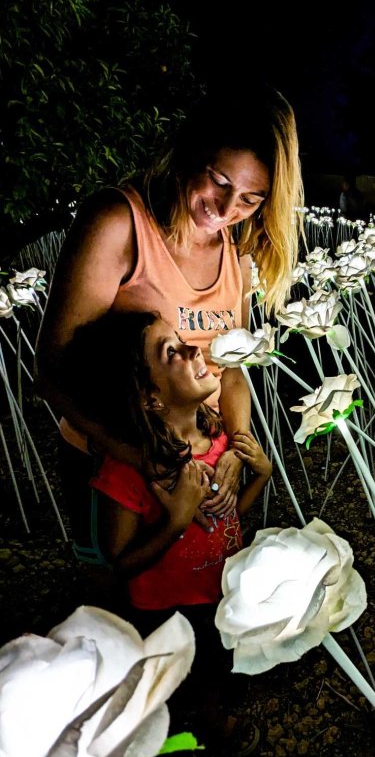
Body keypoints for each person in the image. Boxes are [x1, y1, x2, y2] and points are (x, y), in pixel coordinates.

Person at [35, 86, 303, 562]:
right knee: (119, 609)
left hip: (201, 462)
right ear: (191, 150)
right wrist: (144, 461)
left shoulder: (234, 254)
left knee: (199, 586)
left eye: (249, 200)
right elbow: (53, 366)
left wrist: (233, 452)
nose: (225, 211)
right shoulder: (118, 223)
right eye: (218, 181)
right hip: (115, 466)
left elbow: (232, 369)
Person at [64, 308, 272, 733]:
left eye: (181, 339)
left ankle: (214, 716)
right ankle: (172, 735)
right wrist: (175, 520)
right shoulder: (127, 471)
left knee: (214, 661)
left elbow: (225, 520)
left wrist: (262, 476)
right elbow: (119, 561)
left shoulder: (216, 439)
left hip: (217, 589)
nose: (195, 347)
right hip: (165, 609)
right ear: (149, 396)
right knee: (173, 675)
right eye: (171, 351)